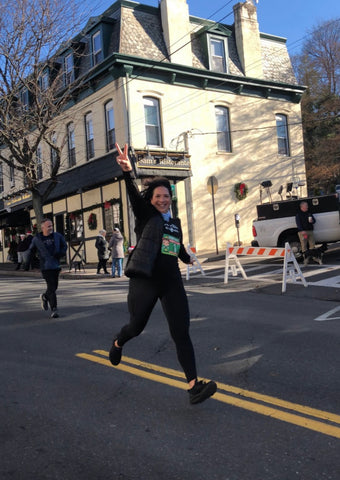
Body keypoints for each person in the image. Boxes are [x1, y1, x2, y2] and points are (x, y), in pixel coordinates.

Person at [109, 143, 217, 405]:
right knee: (136, 326)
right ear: (151, 198)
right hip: (145, 280)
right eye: (157, 196)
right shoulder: (145, 215)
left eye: (166, 196)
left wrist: (186, 256)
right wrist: (127, 172)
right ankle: (118, 342)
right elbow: (135, 196)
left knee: (181, 332)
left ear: (171, 198)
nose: (162, 199)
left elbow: (174, 246)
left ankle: (194, 387)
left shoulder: (174, 222)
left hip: (171, 281)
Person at [27, 218, 67, 318]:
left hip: (56, 265)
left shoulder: (57, 236)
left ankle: (45, 296)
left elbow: (64, 246)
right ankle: (54, 309)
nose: (51, 228)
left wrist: (61, 253)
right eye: (48, 226)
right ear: (43, 227)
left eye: (52, 226)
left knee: (54, 287)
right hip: (45, 267)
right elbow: (31, 251)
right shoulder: (37, 239)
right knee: (52, 287)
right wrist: (34, 264)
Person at [295, 201, 320, 265]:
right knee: (304, 245)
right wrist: (301, 230)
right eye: (306, 206)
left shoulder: (309, 213)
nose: (307, 207)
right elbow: (298, 224)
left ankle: (314, 257)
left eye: (307, 205)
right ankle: (306, 259)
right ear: (302, 206)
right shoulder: (298, 214)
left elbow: (314, 221)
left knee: (312, 244)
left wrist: (312, 221)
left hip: (310, 231)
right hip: (304, 232)